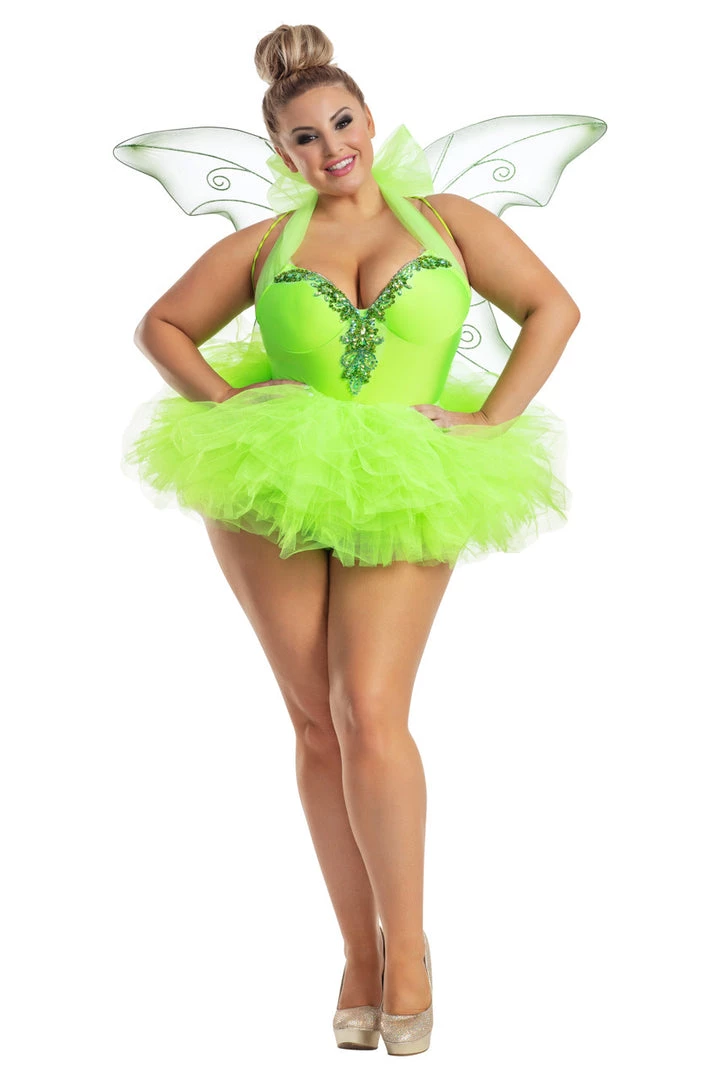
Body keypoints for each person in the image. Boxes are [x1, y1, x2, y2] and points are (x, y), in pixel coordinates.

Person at [123, 22, 582, 1055]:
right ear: (280, 153)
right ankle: (357, 957)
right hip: (270, 478)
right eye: (304, 137)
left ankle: (408, 950)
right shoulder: (265, 245)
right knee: (316, 724)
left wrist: (493, 419)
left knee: (369, 709)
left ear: (371, 119)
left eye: (341, 122)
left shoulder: (449, 221)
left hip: (406, 476)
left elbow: (553, 307)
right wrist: (226, 404)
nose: (330, 147)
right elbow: (161, 325)